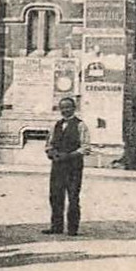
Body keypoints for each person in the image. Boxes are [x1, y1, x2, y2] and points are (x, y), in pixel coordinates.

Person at [44, 96, 88, 235]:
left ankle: (72, 229)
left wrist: (69, 155)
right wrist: (51, 153)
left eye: (68, 107)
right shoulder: (56, 125)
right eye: (62, 108)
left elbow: (85, 147)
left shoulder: (81, 125)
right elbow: (48, 144)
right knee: (55, 195)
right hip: (57, 166)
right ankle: (56, 226)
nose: (65, 110)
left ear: (74, 108)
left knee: (73, 196)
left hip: (73, 167)